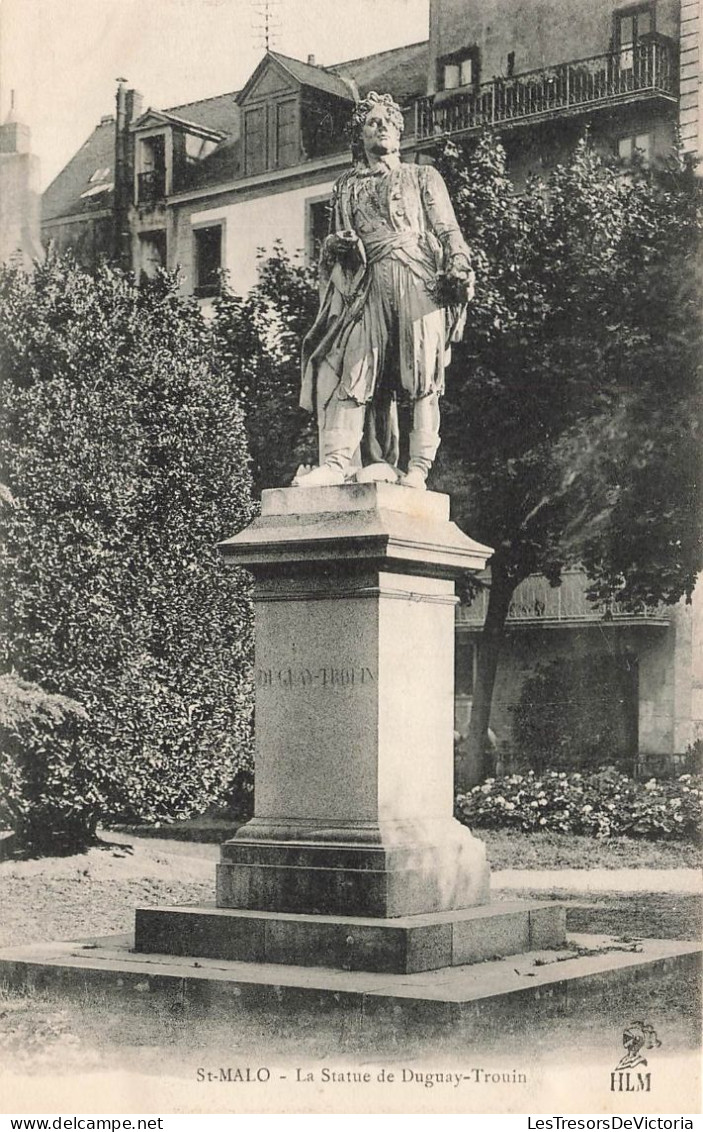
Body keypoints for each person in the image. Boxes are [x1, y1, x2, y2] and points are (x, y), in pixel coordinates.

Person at [294, 91, 474, 490]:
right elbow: (331, 247)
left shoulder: (422, 176)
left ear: (399, 131)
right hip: (367, 280)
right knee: (352, 369)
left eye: (388, 122)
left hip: (416, 275)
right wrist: (334, 247)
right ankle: (338, 462)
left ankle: (418, 469)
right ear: (359, 133)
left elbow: (448, 231)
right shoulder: (345, 187)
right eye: (372, 122)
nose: (382, 127)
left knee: (422, 373)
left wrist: (459, 262)